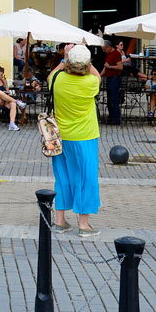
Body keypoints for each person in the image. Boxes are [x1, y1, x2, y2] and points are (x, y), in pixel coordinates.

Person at [48, 43, 101, 236]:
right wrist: (82, 55)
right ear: (86, 64)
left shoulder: (57, 79)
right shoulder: (90, 83)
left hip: (60, 137)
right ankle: (84, 225)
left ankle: (60, 221)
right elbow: (97, 75)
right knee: (86, 178)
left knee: (62, 177)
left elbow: (51, 75)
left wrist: (65, 57)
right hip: (85, 137)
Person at [102, 38, 125, 125]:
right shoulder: (108, 54)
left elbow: (120, 67)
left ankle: (116, 118)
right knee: (109, 98)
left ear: (108, 47)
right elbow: (105, 66)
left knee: (114, 98)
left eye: (104, 50)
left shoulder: (116, 54)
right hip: (109, 77)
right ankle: (111, 117)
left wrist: (110, 67)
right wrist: (99, 75)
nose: (104, 51)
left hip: (114, 78)